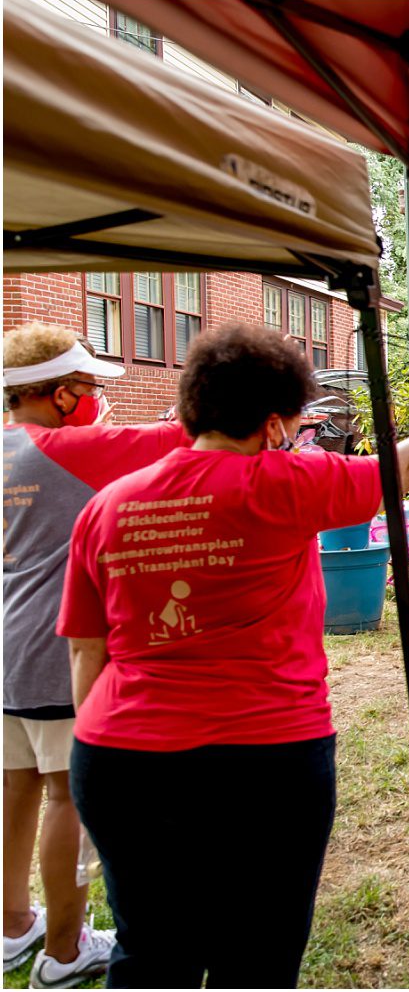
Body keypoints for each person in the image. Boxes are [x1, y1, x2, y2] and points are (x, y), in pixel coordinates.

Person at [58, 324, 409, 987]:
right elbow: (402, 468)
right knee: (258, 958)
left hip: (121, 760)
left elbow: (85, 657)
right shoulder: (287, 483)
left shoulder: (108, 507)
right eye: (294, 424)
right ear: (271, 426)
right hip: (266, 760)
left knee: (151, 951)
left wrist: (95, 750)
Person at [2, 326, 189, 986]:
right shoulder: (68, 449)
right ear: (59, 396)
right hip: (54, 647)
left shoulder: (7, 447)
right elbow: (183, 437)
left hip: (6, 646)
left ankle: (12, 925)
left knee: (15, 787)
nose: (99, 400)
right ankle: (62, 949)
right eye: (91, 389)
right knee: (65, 799)